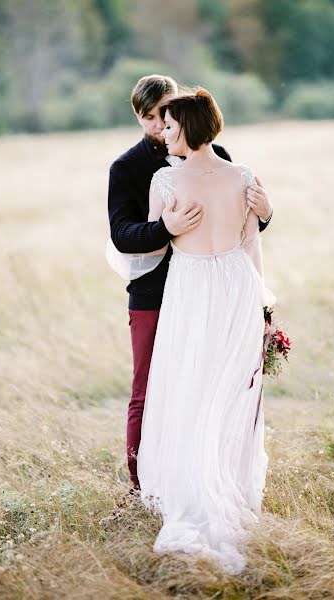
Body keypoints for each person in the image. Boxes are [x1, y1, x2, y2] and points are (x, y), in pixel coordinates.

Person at [107, 74, 273, 492]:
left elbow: (238, 227)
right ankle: (141, 486)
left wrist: (267, 212)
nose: (161, 126)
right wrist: (164, 227)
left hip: (216, 292)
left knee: (223, 382)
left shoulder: (217, 156)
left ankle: (221, 475)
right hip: (154, 295)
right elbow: (122, 234)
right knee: (150, 391)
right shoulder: (127, 168)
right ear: (140, 118)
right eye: (151, 119)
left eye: (168, 115)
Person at [135, 88, 277, 574]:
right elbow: (250, 244)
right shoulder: (244, 176)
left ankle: (197, 493)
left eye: (170, 126)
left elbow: (153, 251)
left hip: (193, 287)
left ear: (189, 129)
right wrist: (261, 304)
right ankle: (227, 486)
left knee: (191, 389)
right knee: (229, 390)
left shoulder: (165, 180)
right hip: (237, 284)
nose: (164, 133)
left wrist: (168, 224)